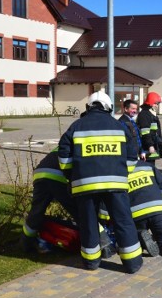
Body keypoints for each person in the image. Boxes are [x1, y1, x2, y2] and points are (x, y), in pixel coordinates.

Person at [58, 90, 143, 273]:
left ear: (88, 107)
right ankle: (132, 263)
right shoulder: (120, 126)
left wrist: (72, 175)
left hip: (85, 185)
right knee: (123, 220)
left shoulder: (76, 126)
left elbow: (64, 157)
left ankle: (91, 262)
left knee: (88, 222)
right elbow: (132, 156)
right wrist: (122, 174)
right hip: (116, 185)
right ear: (109, 107)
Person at [22, 150, 114, 256]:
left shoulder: (73, 141)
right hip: (59, 175)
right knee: (80, 212)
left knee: (36, 212)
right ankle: (105, 245)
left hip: (41, 172)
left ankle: (26, 243)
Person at [137, 91, 162, 164]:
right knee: (147, 166)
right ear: (150, 103)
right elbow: (145, 132)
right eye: (155, 103)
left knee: (152, 166)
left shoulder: (151, 114)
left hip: (152, 145)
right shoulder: (144, 115)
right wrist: (150, 145)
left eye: (157, 104)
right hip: (146, 147)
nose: (157, 106)